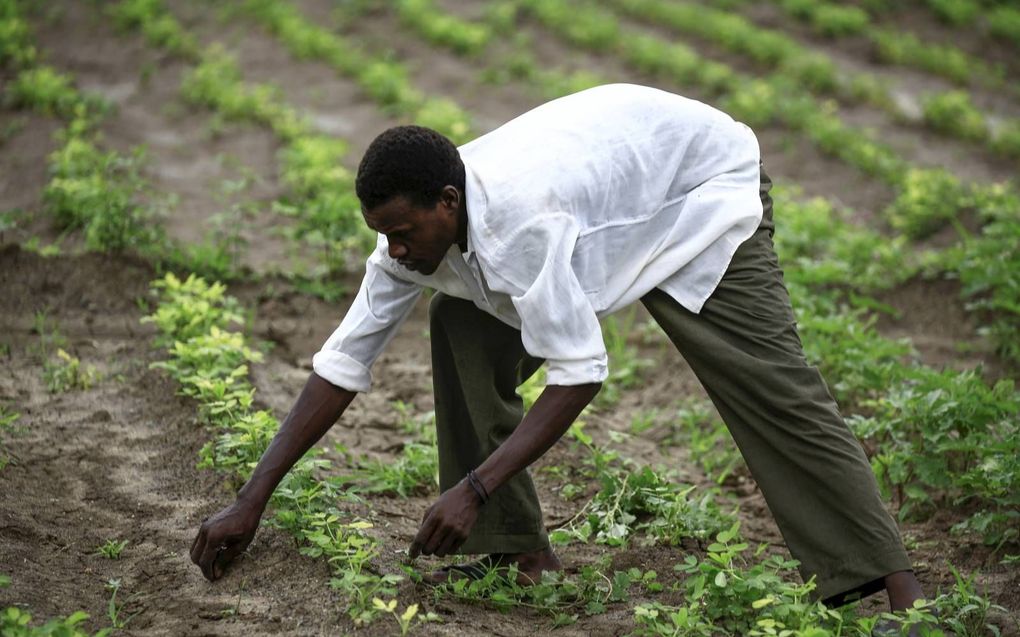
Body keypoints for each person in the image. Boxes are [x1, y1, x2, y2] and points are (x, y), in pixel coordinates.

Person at [190, 83, 924, 612]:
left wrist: (470, 488)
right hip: (606, 195)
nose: (394, 247)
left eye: (403, 231)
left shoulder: (520, 230)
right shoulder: (412, 239)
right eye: (383, 232)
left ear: (447, 203)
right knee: (461, 324)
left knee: (769, 380)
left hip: (696, 185)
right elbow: (340, 366)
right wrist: (250, 501)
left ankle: (895, 584)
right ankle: (519, 549)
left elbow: (580, 373)